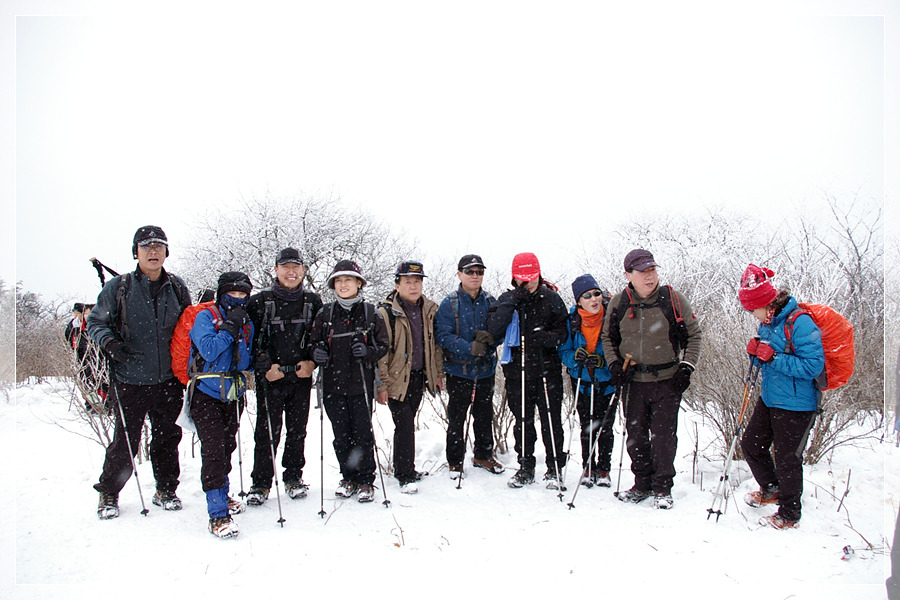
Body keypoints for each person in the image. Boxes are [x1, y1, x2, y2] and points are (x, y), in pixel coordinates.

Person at [87, 225, 191, 519]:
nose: (153, 251)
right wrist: (111, 344)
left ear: (166, 252)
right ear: (136, 252)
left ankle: (166, 489)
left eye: (159, 246)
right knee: (125, 441)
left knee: (167, 437)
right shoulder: (119, 288)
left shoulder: (178, 288)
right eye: (146, 247)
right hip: (130, 379)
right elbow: (95, 323)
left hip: (168, 380)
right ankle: (109, 493)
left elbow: (187, 326)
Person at [601, 248, 701, 509]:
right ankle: (642, 484)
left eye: (652, 271)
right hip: (633, 381)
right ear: (628, 275)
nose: (649, 277)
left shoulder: (672, 299)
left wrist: (686, 368)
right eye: (643, 272)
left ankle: (662, 488)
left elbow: (694, 336)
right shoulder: (619, 302)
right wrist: (614, 365)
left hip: (667, 380)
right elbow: (608, 338)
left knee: (664, 436)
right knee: (635, 435)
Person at [738, 264, 824, 529]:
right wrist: (756, 353)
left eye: (753, 309)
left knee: (787, 458)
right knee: (751, 444)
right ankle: (772, 487)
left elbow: (813, 367)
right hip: (771, 397)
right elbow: (768, 356)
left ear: (767, 303)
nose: (752, 314)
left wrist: (773, 357)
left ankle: (789, 512)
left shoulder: (800, 322)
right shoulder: (769, 323)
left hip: (797, 404)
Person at [245, 248, 323, 505]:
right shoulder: (259, 302)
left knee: (297, 430)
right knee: (266, 432)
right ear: (275, 270)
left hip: (300, 377)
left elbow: (319, 338)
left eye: (296, 267)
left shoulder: (313, 302)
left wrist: (312, 362)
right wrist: (264, 365)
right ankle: (261, 483)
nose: (291, 272)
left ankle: (293, 477)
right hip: (270, 378)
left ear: (303, 270)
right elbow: (250, 341)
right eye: (285, 267)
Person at [486, 252, 568, 489]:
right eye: (523, 277)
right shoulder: (507, 299)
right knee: (522, 420)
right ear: (515, 277)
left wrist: (546, 338)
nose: (528, 282)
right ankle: (525, 466)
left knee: (551, 420)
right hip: (517, 370)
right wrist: (514, 299)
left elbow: (563, 334)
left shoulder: (551, 298)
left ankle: (554, 468)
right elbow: (494, 328)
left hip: (547, 368)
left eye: (532, 276)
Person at [310, 260, 389, 502]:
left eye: (349, 280)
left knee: (363, 434)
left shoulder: (370, 313)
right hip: (333, 387)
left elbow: (384, 345)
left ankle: (366, 480)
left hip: (361, 386)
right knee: (341, 435)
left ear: (358, 283)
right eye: (339, 280)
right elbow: (312, 343)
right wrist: (317, 352)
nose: (343, 284)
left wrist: (368, 351)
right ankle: (348, 477)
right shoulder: (325, 314)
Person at [189, 272, 255, 539]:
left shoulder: (246, 322)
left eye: (243, 295)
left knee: (227, 445)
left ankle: (222, 494)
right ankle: (217, 514)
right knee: (214, 450)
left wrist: (256, 360)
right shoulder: (206, 317)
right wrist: (229, 327)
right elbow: (208, 350)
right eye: (233, 294)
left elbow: (242, 361)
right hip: (206, 393)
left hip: (233, 393)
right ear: (221, 293)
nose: (238, 299)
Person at [376, 261, 444, 494]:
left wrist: (436, 374)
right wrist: (382, 383)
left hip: (418, 378)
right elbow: (381, 353)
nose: (413, 286)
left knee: (408, 422)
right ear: (397, 284)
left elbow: (434, 347)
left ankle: (407, 468)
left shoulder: (429, 309)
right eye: (407, 281)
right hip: (397, 379)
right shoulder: (387, 312)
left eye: (417, 281)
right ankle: (404, 474)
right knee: (403, 424)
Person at [435, 254, 504, 480]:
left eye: (479, 271)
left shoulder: (491, 301)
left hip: (485, 370)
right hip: (458, 371)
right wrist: (468, 347)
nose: (475, 276)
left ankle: (483, 455)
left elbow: (500, 331)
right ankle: (455, 461)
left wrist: (490, 341)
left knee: (484, 415)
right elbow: (442, 335)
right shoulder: (450, 303)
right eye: (470, 271)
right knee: (457, 417)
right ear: (459, 274)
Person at [558, 274, 615, 487]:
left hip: (607, 382)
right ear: (578, 301)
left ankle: (604, 468)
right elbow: (563, 350)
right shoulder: (572, 321)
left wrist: (605, 362)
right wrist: (575, 358)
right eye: (587, 295)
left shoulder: (611, 318)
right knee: (587, 425)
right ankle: (588, 467)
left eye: (597, 293)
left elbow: (620, 350)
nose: (594, 299)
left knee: (606, 427)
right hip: (581, 381)